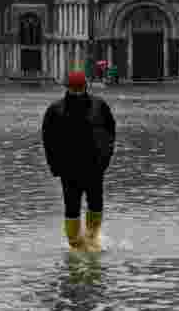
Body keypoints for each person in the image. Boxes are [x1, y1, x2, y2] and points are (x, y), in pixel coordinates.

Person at [42, 70, 116, 253]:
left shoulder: (99, 106)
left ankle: (91, 241)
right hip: (69, 170)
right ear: (68, 88)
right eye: (74, 89)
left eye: (79, 88)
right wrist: (55, 167)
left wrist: (105, 159)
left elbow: (111, 132)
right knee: (72, 206)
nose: (77, 92)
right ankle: (76, 245)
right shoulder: (55, 110)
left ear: (85, 87)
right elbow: (48, 140)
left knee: (94, 204)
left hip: (94, 167)